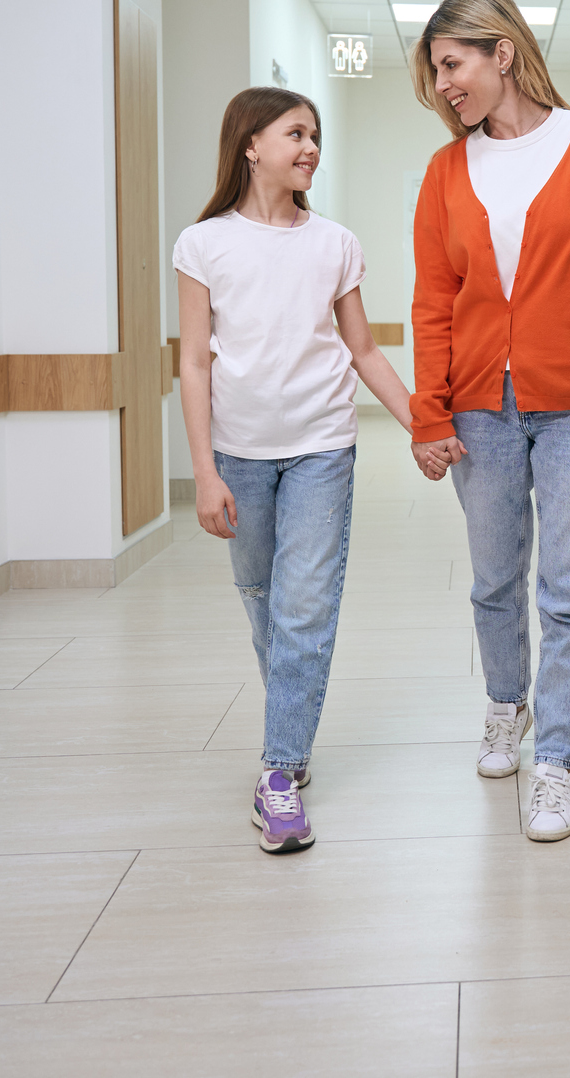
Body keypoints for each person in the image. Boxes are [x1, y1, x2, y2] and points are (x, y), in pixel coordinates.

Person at [407, 0, 570, 842]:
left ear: (500, 54)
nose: (443, 85)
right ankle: (503, 706)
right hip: (480, 408)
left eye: (452, 64)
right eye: (435, 71)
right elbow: (434, 300)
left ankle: (555, 762)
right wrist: (427, 411)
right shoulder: (446, 171)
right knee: (494, 579)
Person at [174, 87, 434, 854]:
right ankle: (290, 723)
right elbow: (192, 362)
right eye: (295, 133)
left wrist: (424, 421)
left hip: (323, 445)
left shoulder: (336, 243)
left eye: (315, 135)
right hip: (237, 455)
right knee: (263, 597)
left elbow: (363, 351)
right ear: (250, 144)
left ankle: (278, 772)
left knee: (303, 610)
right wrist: (202, 471)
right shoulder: (204, 244)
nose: (310, 146)